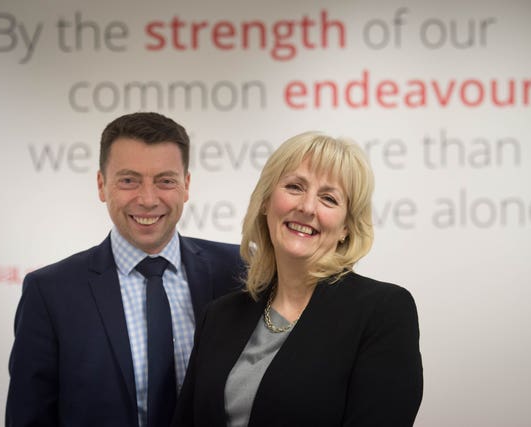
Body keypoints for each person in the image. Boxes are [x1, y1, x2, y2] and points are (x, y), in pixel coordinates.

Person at [6, 112, 244, 427]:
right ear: (102, 185)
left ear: (186, 186)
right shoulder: (50, 293)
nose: (147, 199)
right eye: (129, 180)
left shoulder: (239, 271)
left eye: (165, 181)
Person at [172, 131, 423, 426]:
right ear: (266, 202)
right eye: (294, 187)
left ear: (346, 227)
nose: (306, 207)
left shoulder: (383, 312)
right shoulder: (219, 316)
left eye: (328, 199)